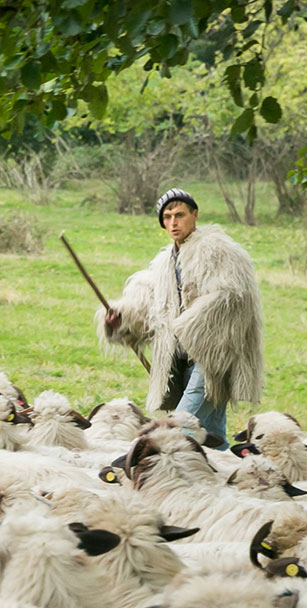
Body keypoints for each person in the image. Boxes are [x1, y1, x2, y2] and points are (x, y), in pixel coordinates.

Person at [100, 189, 263, 449]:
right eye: (167, 217)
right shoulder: (165, 262)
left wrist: (187, 326)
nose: (174, 223)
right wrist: (121, 318)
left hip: (213, 358)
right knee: (212, 436)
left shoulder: (219, 252)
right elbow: (153, 306)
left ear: (194, 215)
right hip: (182, 359)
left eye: (179, 215)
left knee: (178, 427)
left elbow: (232, 296)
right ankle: (223, 481)